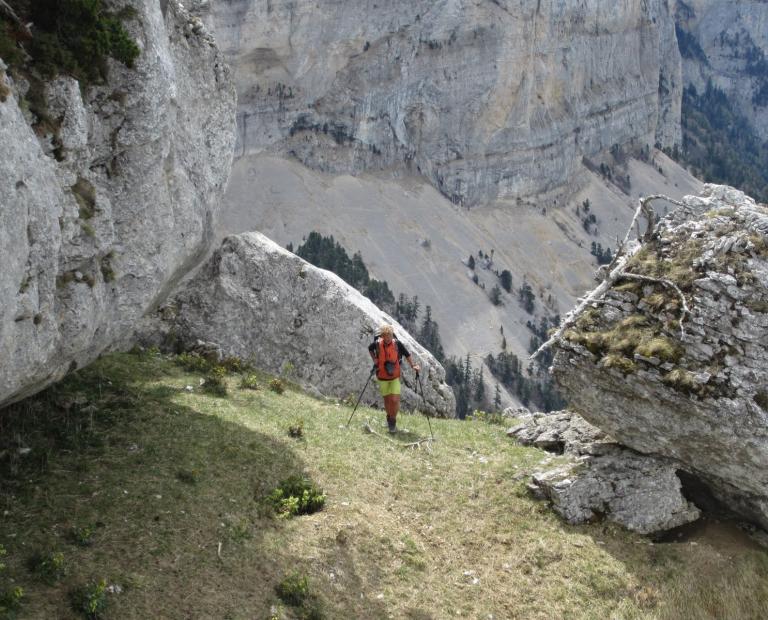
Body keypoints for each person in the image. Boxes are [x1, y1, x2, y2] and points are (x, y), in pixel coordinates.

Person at [368, 324, 420, 433]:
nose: (388, 338)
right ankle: (389, 419)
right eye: (386, 336)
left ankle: (393, 421)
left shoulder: (397, 344)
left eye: (390, 335)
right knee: (387, 400)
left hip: (394, 377)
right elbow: (370, 349)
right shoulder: (377, 344)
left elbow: (407, 354)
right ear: (382, 336)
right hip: (382, 376)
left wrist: (413, 365)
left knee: (395, 400)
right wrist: (375, 360)